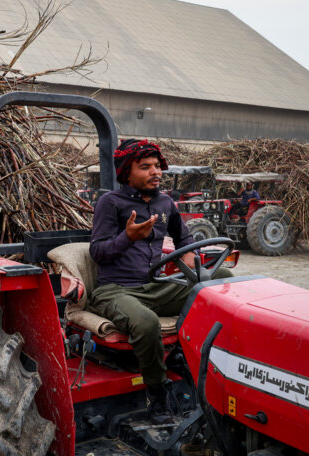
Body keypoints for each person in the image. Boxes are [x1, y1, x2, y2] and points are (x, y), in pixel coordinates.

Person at [88, 139, 233, 423]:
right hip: (116, 290)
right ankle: (157, 393)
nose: (155, 172)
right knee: (145, 322)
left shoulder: (166, 203)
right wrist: (127, 237)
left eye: (157, 166)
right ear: (126, 172)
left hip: (156, 286)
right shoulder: (110, 203)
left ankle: (202, 361)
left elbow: (185, 237)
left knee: (224, 279)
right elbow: (98, 252)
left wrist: (192, 255)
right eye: (145, 167)